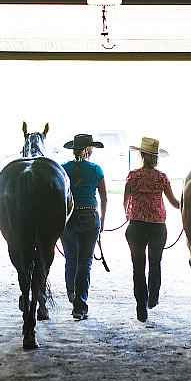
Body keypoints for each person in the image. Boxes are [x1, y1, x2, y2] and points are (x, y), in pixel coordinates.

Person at [123, 136, 180, 322]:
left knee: (138, 266)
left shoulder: (133, 175)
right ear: (155, 158)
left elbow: (125, 200)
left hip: (137, 226)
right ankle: (153, 298)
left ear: (140, 154)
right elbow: (174, 203)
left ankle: (141, 306)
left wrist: (129, 214)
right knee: (155, 263)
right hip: (157, 226)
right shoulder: (161, 177)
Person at [60, 133, 108, 320]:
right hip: (90, 216)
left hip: (69, 218)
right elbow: (104, 197)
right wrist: (102, 221)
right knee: (85, 263)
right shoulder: (96, 170)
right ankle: (80, 305)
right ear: (89, 150)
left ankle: (72, 294)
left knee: (71, 260)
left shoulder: (63, 169)